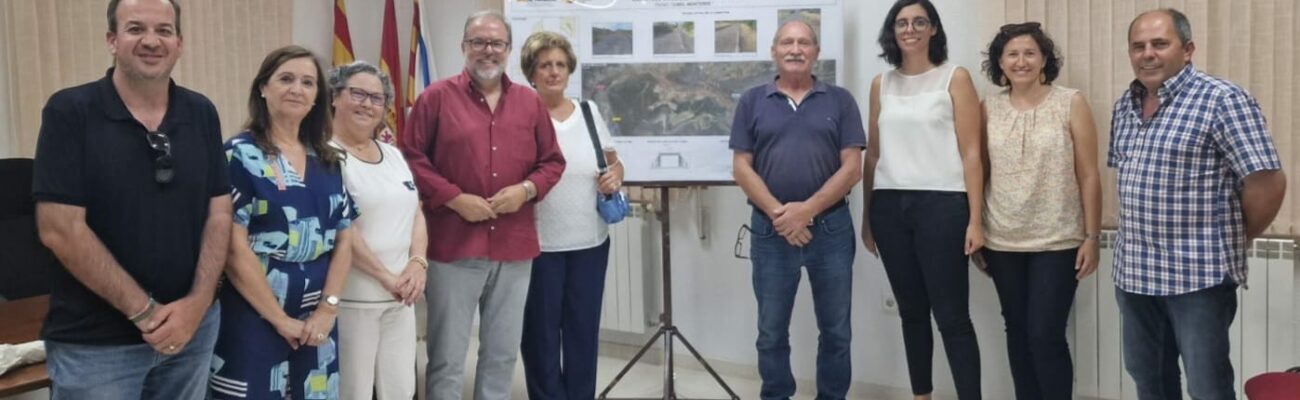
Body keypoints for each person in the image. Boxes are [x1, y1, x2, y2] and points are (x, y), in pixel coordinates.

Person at [31, 0, 229, 398]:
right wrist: (146, 313)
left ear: (179, 43)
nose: (151, 41)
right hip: (97, 346)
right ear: (112, 40)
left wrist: (198, 303)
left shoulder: (201, 112)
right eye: (136, 29)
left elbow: (219, 213)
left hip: (192, 333)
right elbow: (59, 229)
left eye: (164, 30)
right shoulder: (70, 111)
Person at [1110, 9, 1285, 399]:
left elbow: (1267, 183)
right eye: (1138, 46)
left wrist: (1236, 237)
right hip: (1135, 272)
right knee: (1148, 379)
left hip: (1198, 275)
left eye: (1160, 44)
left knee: (1207, 386)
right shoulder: (1125, 106)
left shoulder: (1223, 99)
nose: (1147, 54)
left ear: (1187, 49)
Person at [400, 10, 566, 399]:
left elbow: (552, 162)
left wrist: (526, 190)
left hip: (514, 248)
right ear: (464, 47)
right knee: (447, 357)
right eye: (478, 42)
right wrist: (454, 198)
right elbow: (411, 158)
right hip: (453, 246)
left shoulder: (529, 102)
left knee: (502, 354)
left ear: (508, 49)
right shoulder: (435, 98)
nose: (488, 50)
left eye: (496, 43)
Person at [209, 45, 355, 400]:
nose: (297, 89)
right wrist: (278, 318)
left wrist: (328, 308)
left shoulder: (328, 159)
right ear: (263, 88)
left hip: (317, 321)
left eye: (308, 82)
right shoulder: (238, 154)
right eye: (286, 79)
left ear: (317, 96)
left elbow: (345, 239)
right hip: (252, 315)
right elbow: (232, 248)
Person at [730, 18, 865, 400]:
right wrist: (782, 215)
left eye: (804, 42)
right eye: (787, 42)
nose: (795, 49)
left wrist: (807, 211)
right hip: (770, 231)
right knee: (771, 331)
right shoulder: (752, 101)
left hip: (831, 230)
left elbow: (852, 168)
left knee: (836, 331)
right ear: (774, 51)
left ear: (816, 52)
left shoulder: (840, 100)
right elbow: (741, 167)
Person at [862, 0, 984, 398]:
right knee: (912, 313)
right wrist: (867, 218)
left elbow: (972, 153)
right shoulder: (881, 84)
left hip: (943, 206)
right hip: (889, 207)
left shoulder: (955, 77)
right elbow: (873, 155)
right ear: (892, 31)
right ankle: (922, 395)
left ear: (933, 29)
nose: (910, 29)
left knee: (952, 317)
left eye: (919, 22)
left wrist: (976, 219)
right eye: (901, 23)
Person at [977, 22, 1101, 400]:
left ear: (1044, 58)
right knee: (1017, 331)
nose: (1021, 61)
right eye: (1012, 54)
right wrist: (976, 228)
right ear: (1000, 62)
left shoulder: (1071, 102)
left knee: (1045, 335)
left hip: (1058, 239)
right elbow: (979, 171)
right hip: (1002, 239)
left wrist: (1092, 237)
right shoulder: (987, 108)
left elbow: (1089, 174)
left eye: (1030, 53)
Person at [517, 31, 625, 400]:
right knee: (541, 337)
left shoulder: (589, 112)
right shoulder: (521, 116)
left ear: (569, 70)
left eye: (560, 65)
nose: (554, 72)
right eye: (545, 65)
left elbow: (615, 162)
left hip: (589, 244)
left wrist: (615, 176)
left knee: (583, 333)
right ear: (531, 72)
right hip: (539, 248)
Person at [328, 61, 427, 400]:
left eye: (376, 98)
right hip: (354, 299)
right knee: (353, 392)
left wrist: (418, 263)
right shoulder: (325, 156)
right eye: (358, 94)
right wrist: (385, 277)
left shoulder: (393, 154)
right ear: (335, 97)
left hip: (401, 297)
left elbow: (416, 211)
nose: (367, 104)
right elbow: (344, 230)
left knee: (401, 389)